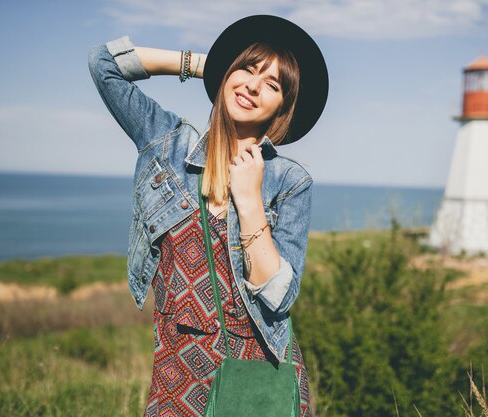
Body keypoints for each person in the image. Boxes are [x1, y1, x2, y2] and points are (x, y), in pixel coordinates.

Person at [88, 14, 328, 417]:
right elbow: (104, 64)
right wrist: (208, 64)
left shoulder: (289, 181)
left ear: (281, 108)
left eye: (272, 85)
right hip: (176, 372)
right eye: (247, 70)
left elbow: (279, 296)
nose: (253, 85)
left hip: (257, 373)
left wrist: (250, 201)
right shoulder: (167, 144)